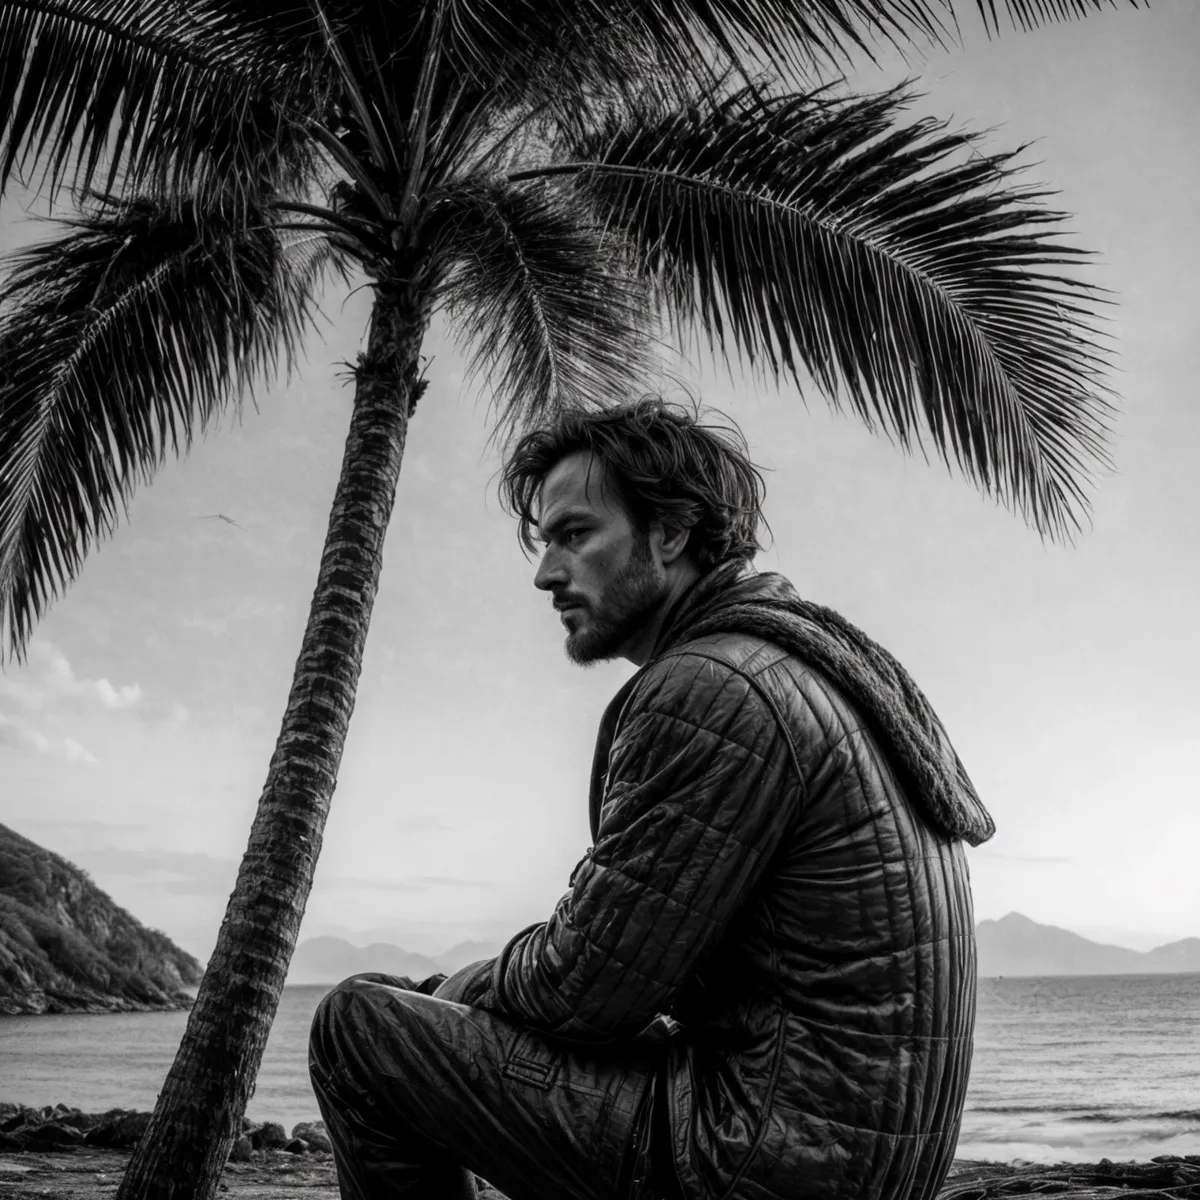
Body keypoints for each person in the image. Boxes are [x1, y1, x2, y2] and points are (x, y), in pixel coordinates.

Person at [308, 397, 995, 1200]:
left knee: (357, 1031)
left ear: (670, 534)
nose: (545, 573)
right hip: (851, 1162)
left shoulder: (713, 688)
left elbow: (586, 987)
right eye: (542, 543)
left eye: (574, 535)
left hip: (752, 1165)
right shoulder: (800, 668)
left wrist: (454, 992)